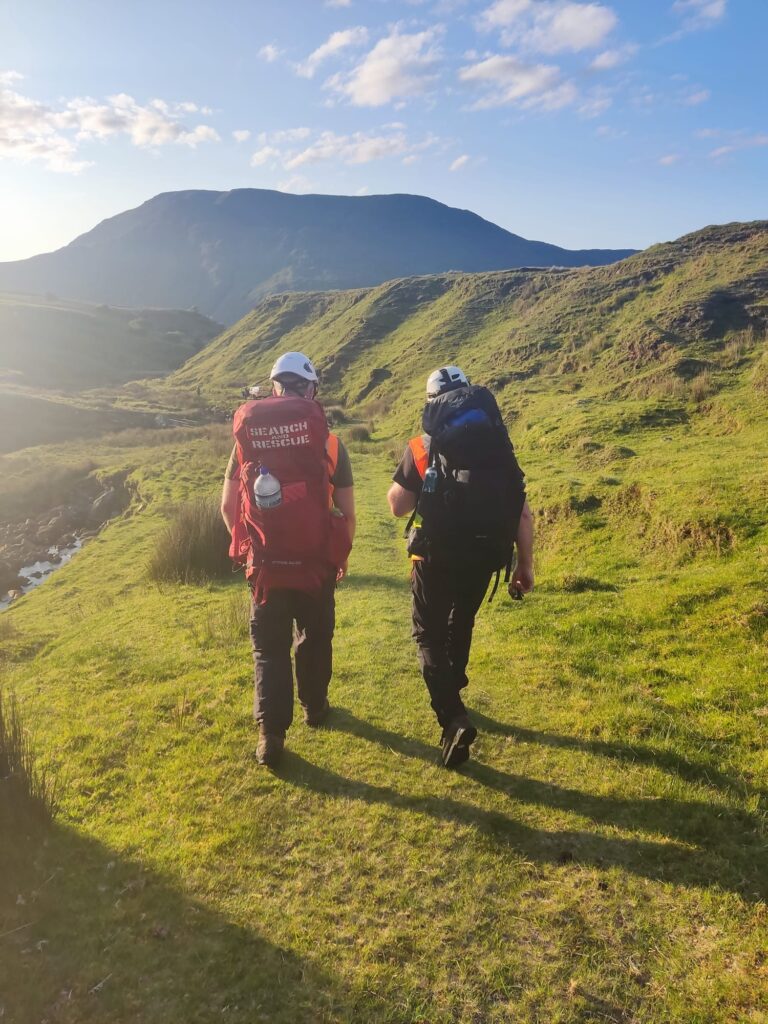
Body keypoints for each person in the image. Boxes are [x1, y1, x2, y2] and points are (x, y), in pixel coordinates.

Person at [387, 366, 534, 768]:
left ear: (431, 402)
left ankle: (453, 719)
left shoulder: (421, 445)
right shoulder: (497, 445)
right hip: (485, 555)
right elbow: (521, 510)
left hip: (434, 556)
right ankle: (455, 689)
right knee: (461, 621)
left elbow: (398, 505)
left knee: (428, 636)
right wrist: (526, 565)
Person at [221, 352, 356, 768]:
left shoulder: (247, 441)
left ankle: (271, 734)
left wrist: (253, 548)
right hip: (316, 564)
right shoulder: (331, 443)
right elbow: (346, 513)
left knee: (269, 649)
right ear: (311, 389)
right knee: (315, 638)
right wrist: (340, 555)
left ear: (274, 387)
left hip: (265, 567)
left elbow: (228, 506)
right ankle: (315, 708)